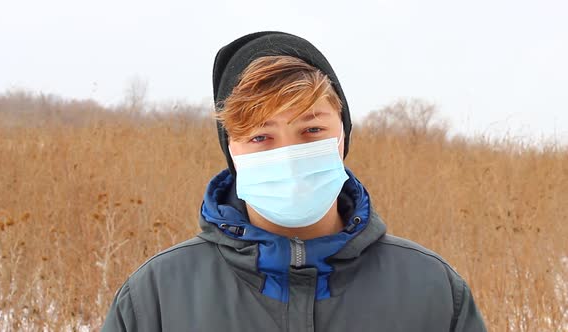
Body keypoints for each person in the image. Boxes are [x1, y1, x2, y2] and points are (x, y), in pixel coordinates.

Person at [101, 31, 487, 331]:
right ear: (232, 151)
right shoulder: (158, 297)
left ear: (342, 136)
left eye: (311, 129)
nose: (287, 155)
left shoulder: (430, 291)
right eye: (260, 136)